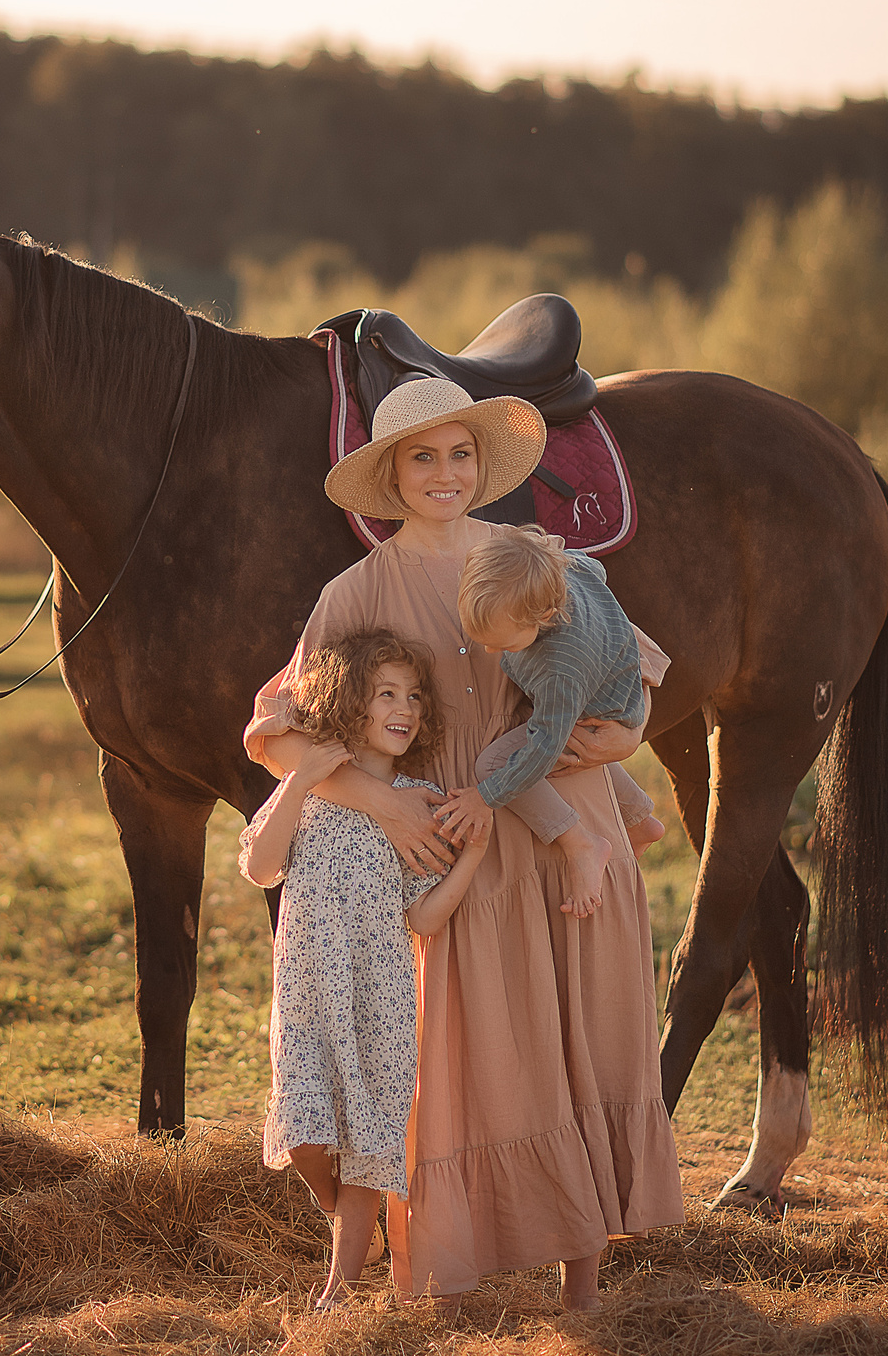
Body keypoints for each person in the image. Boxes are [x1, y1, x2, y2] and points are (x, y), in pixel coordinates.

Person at [245, 376, 682, 1315]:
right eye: (422, 456)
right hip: (452, 849)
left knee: (576, 1046)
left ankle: (583, 1291)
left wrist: (626, 738)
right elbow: (281, 733)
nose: (445, 473)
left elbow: (628, 681)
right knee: (479, 1059)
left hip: (563, 832)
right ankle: (459, 1266)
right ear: (392, 474)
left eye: (460, 454)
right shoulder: (356, 590)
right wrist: (386, 806)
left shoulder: (531, 557)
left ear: (482, 467)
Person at [237, 628, 493, 1311]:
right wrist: (301, 777)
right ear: (350, 703)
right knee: (307, 1133)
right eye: (385, 693)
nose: (402, 707)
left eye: (412, 695)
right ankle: (337, 1211)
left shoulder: (417, 799)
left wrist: (471, 856)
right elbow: (260, 865)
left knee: (371, 1143)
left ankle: (339, 1288)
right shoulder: (317, 791)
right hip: (307, 994)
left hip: (380, 1000)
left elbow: (426, 917)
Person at [438, 528, 666, 917]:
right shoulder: (564, 567)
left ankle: (582, 844)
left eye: (504, 645)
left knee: (492, 764)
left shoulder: (560, 674)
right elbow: (597, 570)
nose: (492, 651)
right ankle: (641, 821)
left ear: (544, 615)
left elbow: (543, 749)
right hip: (612, 675)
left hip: (600, 709)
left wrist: (485, 796)